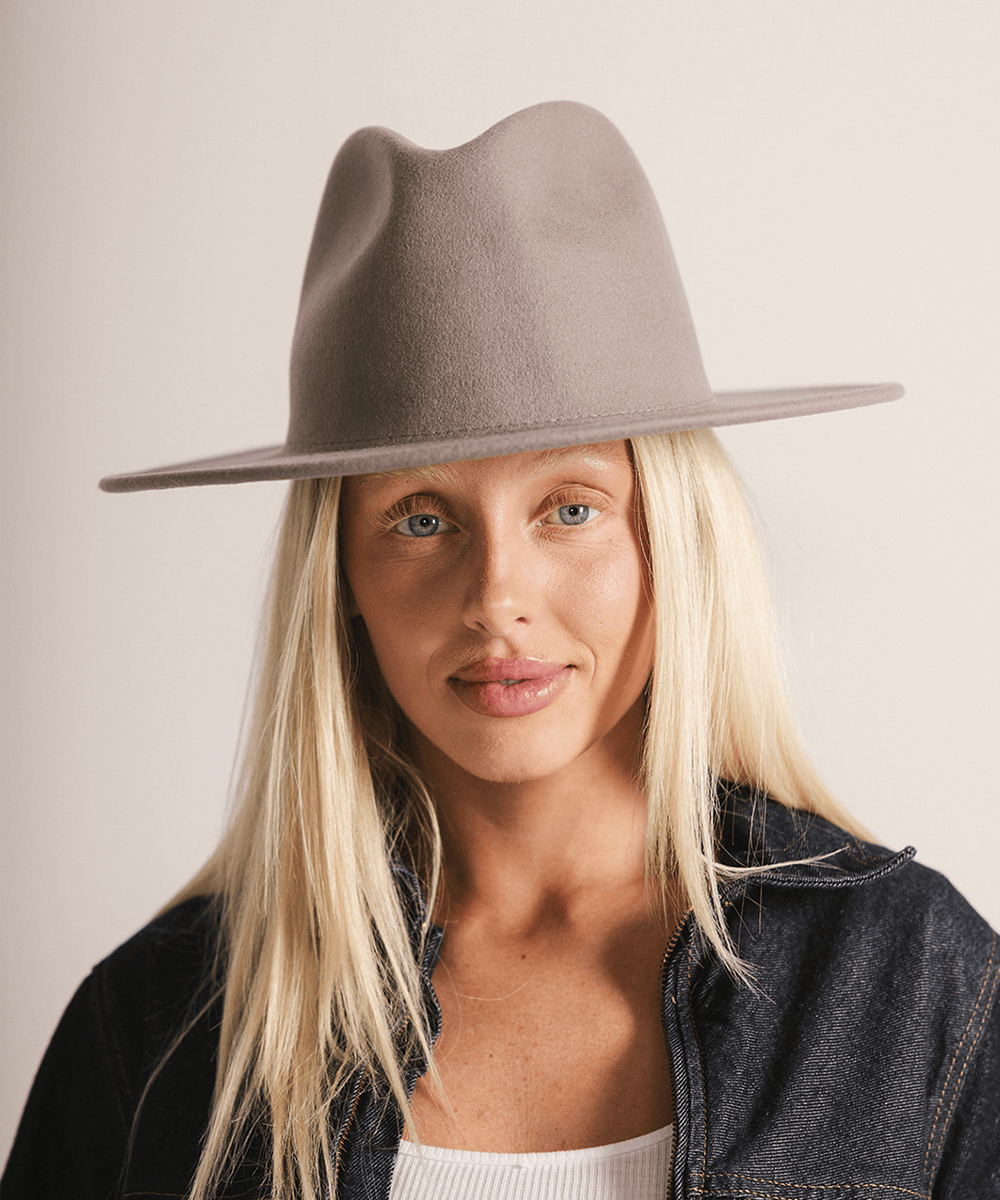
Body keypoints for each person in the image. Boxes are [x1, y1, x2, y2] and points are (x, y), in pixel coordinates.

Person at [3, 101, 997, 1200]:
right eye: (421, 519)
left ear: (675, 541)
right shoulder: (159, 1033)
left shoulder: (915, 984)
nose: (496, 600)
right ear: (341, 582)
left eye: (570, 509)